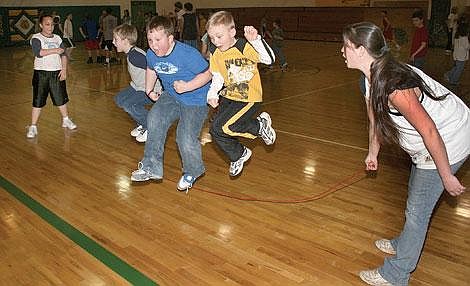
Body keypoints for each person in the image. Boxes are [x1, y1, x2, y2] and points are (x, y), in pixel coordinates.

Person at [341, 22, 469, 286]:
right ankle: (404, 242)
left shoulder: (394, 85)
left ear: (362, 51)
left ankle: (396, 275)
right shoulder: (369, 79)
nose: (342, 51)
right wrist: (372, 153)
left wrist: (446, 177)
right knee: (415, 199)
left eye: (346, 46)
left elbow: (430, 130)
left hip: (450, 137)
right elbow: (374, 121)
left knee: (417, 211)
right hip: (431, 142)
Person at [130, 16, 211, 192]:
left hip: (195, 100)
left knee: (184, 138)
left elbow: (208, 74)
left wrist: (187, 86)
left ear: (170, 38)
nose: (153, 44)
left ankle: (193, 170)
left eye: (158, 40)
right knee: (154, 120)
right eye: (150, 40)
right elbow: (151, 69)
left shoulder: (188, 54)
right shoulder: (151, 54)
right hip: (171, 96)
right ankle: (151, 167)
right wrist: (149, 90)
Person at [206, 11, 276, 177]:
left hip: (249, 98)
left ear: (232, 32)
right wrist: (212, 94)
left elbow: (269, 60)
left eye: (219, 36)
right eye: (211, 38)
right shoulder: (215, 53)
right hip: (229, 97)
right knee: (215, 130)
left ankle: (260, 126)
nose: (215, 41)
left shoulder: (243, 46)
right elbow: (217, 76)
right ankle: (239, 154)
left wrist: (256, 41)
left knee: (227, 126)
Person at [27, 14, 77, 139]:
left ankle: (66, 119)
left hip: (56, 72)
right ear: (41, 25)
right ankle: (33, 126)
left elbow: (64, 54)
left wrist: (64, 69)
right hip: (41, 73)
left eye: (52, 24)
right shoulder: (36, 38)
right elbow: (38, 53)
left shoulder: (58, 38)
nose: (50, 27)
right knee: (38, 101)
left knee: (61, 98)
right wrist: (55, 50)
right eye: (47, 24)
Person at [113, 24, 161, 143]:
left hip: (151, 89)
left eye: (116, 39)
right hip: (137, 86)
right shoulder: (132, 53)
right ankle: (142, 123)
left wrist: (161, 89)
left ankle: (151, 127)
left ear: (125, 41)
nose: (113, 42)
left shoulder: (135, 56)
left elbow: (156, 69)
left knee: (130, 105)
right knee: (120, 99)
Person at [445, 20, 469, 85]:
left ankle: (448, 74)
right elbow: (467, 47)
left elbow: (454, 46)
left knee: (456, 67)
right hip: (462, 57)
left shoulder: (457, 36)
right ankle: (453, 80)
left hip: (456, 55)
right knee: (459, 69)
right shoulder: (465, 38)